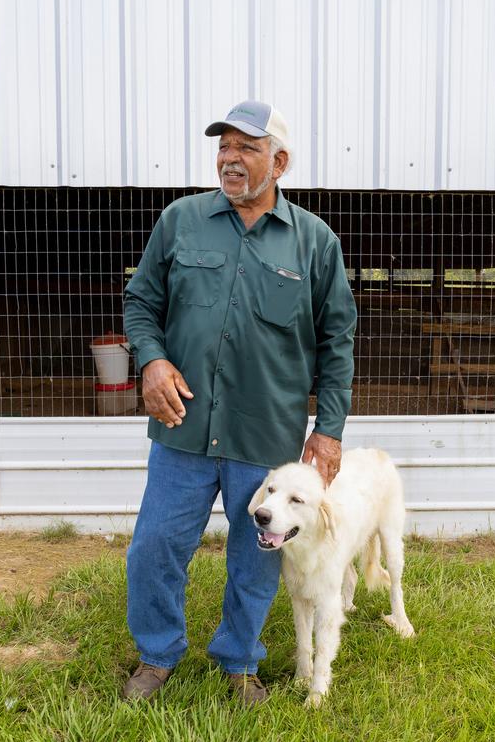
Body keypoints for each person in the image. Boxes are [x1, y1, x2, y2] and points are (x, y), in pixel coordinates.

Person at [121, 100, 357, 704]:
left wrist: (327, 431)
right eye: (224, 146)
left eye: (246, 148)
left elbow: (337, 342)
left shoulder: (315, 243)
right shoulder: (181, 221)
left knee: (256, 557)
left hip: (267, 435)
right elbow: (141, 302)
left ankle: (240, 660)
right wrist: (151, 359)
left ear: (279, 163)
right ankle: (156, 654)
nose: (230, 158)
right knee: (155, 546)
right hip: (184, 425)